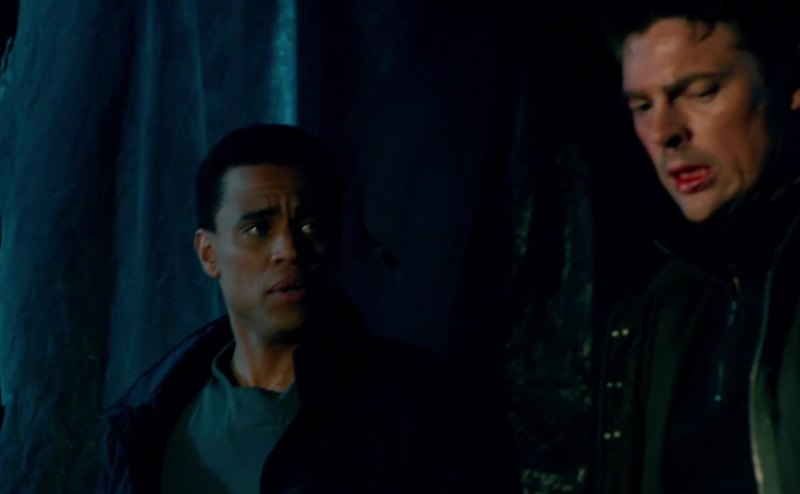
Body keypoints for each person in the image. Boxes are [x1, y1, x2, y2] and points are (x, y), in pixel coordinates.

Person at [97, 124, 520, 493]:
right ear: (209, 253)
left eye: (309, 226)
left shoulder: (433, 410)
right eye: (258, 229)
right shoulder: (147, 423)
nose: (288, 249)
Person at [596, 2, 800, 493]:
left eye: (700, 92)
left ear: (789, 85)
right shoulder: (660, 308)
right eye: (642, 107)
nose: (664, 132)